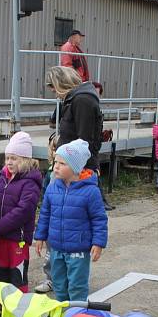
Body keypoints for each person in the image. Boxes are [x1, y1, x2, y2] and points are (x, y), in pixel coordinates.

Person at [34, 139, 108, 302]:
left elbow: (99, 219)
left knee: (77, 285)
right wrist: (40, 236)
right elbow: (45, 213)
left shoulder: (91, 191)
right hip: (56, 248)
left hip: (78, 249)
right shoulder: (53, 188)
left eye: (62, 163)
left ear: (75, 167)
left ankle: (77, 316)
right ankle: (63, 314)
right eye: (55, 162)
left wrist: (98, 243)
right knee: (59, 284)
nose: (56, 167)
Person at [45, 66, 114, 210]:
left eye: (52, 86)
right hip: (68, 163)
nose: (52, 90)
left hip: (74, 165)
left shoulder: (82, 101)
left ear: (61, 82)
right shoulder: (75, 99)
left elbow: (85, 139)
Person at [0, 132, 43, 317]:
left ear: (26, 159)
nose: (9, 162)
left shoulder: (30, 182)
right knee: (1, 268)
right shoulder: (1, 179)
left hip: (17, 237)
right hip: (2, 235)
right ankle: (2, 301)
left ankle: (19, 304)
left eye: (14, 158)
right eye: (7, 158)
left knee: (17, 271)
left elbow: (24, 210)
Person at [34, 133, 59, 294]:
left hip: (63, 221)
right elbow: (45, 200)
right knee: (50, 254)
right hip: (50, 219)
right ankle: (50, 279)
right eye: (54, 148)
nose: (56, 152)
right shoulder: (50, 172)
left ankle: (65, 280)